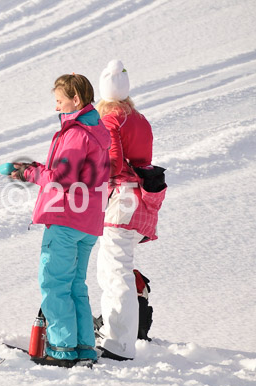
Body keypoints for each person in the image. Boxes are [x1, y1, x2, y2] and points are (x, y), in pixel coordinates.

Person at [11, 73, 110, 367]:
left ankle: (61, 350)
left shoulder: (77, 133)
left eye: (59, 101)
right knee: (75, 284)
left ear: (75, 99)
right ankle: (83, 347)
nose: (56, 107)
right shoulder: (96, 129)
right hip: (89, 222)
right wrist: (36, 167)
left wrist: (29, 174)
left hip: (67, 219)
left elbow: (61, 179)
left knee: (54, 284)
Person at [95, 60, 166, 361]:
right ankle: (117, 328)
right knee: (113, 266)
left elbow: (112, 161)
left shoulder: (111, 118)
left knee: (114, 270)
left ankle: (119, 342)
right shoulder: (138, 118)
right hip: (143, 199)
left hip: (123, 200)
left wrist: (90, 181)